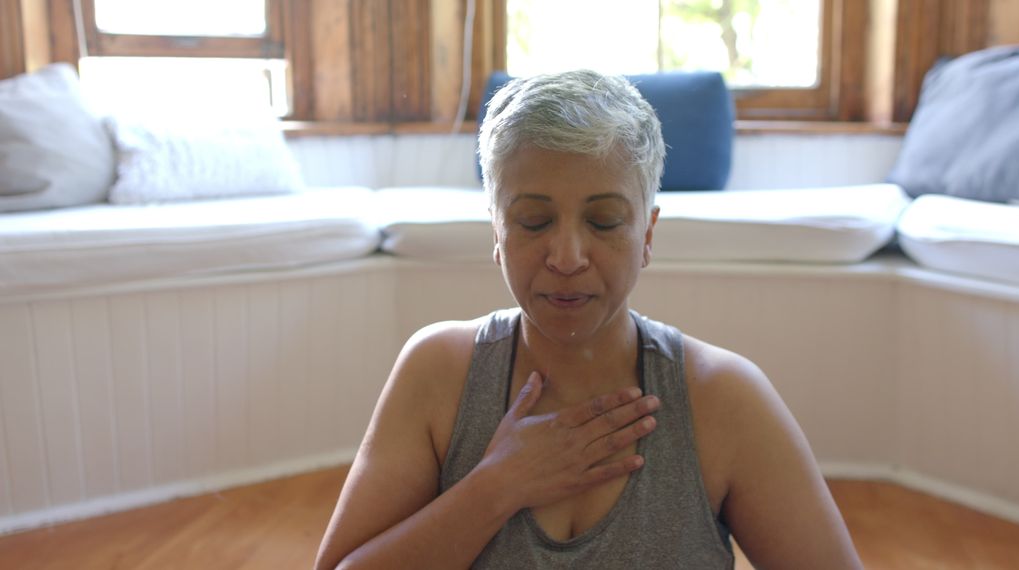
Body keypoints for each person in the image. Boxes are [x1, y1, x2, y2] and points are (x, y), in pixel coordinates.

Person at [314, 69, 863, 569]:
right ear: (496, 233)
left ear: (646, 235)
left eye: (603, 221)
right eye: (533, 221)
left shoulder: (724, 399)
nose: (568, 257)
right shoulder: (438, 373)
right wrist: (498, 485)